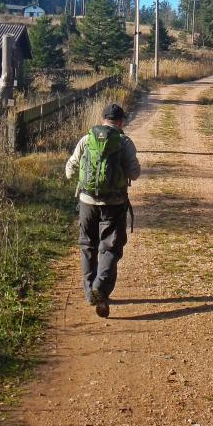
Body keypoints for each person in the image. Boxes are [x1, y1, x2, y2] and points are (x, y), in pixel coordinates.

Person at [65, 102, 141, 318]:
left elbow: (70, 170)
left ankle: (90, 293)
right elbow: (134, 173)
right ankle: (101, 286)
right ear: (121, 121)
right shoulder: (124, 141)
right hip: (114, 204)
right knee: (110, 248)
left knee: (87, 245)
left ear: (102, 119)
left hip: (87, 202)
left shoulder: (87, 139)